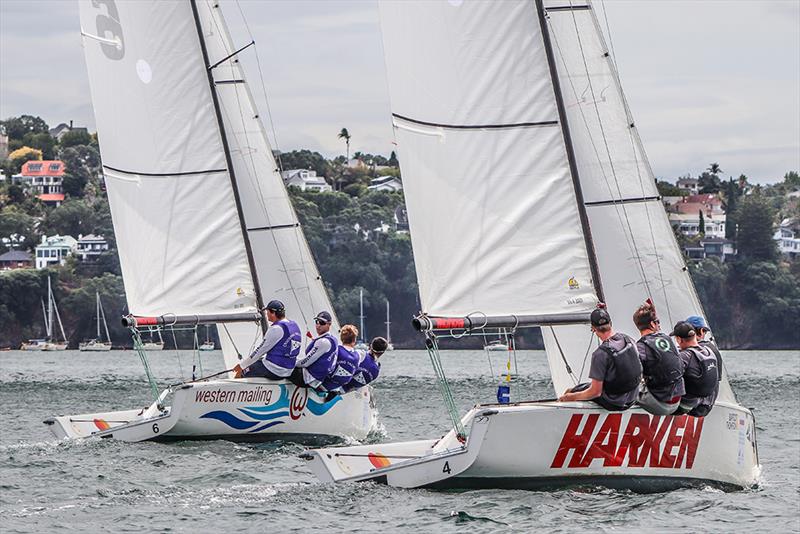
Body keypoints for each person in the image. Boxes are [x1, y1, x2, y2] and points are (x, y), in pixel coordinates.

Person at [558, 306, 642, 411]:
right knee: (584, 387)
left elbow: (595, 392)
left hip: (615, 403)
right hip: (632, 398)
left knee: (570, 392)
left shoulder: (600, 354)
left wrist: (570, 397)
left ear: (593, 328)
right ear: (610, 323)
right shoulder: (629, 339)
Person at [632, 302, 685, 415]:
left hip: (662, 405)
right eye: (658, 322)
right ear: (652, 324)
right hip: (678, 400)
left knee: (625, 388)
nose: (659, 325)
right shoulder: (668, 339)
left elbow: (631, 375)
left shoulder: (640, 347)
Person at [233, 300, 301, 380]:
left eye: (267, 311)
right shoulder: (294, 325)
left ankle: (233, 391)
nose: (266, 314)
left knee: (242, 371)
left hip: (276, 370)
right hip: (289, 370)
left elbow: (259, 351)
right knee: (259, 362)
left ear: (272, 313)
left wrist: (241, 366)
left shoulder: (276, 329)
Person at [671, 321, 719, 417]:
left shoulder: (685, 356)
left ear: (679, 339)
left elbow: (669, 375)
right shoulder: (710, 352)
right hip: (705, 404)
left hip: (686, 406)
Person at [293, 311, 339, 390]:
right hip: (317, 380)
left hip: (308, 379)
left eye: (322, 323)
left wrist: (291, 363)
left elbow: (305, 363)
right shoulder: (334, 339)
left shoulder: (323, 342)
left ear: (329, 324)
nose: (318, 325)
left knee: (282, 367)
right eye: (317, 322)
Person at [319, 324, 361, 399]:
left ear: (341, 338)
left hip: (321, 385)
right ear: (354, 340)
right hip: (336, 389)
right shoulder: (357, 356)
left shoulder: (337, 349)